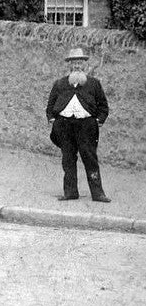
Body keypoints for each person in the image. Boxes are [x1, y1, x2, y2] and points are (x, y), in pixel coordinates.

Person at [47, 47, 111, 203]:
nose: (77, 66)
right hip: (65, 126)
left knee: (90, 159)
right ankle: (70, 192)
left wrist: (98, 121)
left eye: (80, 63)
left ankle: (98, 194)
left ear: (84, 65)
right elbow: (50, 106)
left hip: (86, 126)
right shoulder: (60, 84)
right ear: (70, 65)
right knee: (68, 159)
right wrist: (53, 120)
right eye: (74, 63)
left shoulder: (94, 84)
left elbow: (103, 106)